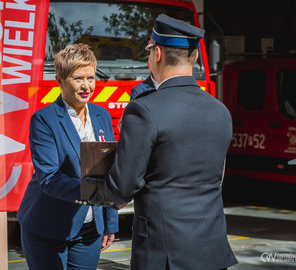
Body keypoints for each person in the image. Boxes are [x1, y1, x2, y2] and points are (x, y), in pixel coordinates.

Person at [89, 14, 238, 269]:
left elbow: (123, 185)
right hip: (213, 249)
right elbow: (218, 175)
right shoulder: (220, 110)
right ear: (195, 57)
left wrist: (95, 187)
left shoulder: (143, 109)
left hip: (164, 251)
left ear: (156, 53)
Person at [17, 43, 118, 270]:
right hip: (47, 227)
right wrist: (100, 193)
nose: (86, 86)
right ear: (60, 80)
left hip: (89, 230)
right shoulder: (44, 119)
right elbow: (49, 178)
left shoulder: (102, 115)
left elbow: (106, 169)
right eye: (78, 78)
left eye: (91, 78)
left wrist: (110, 222)